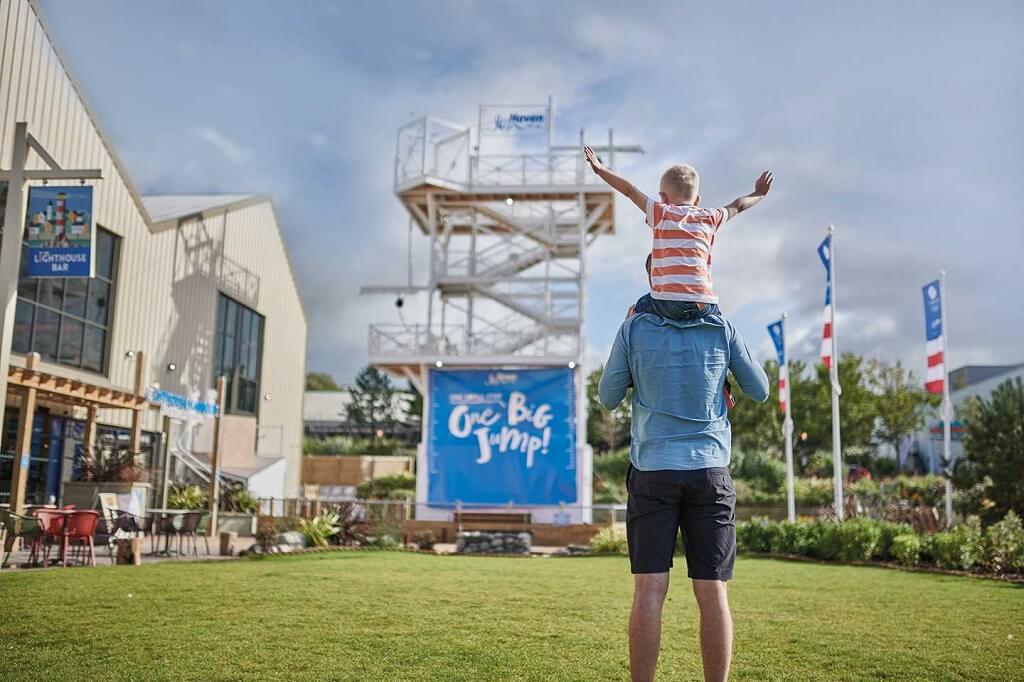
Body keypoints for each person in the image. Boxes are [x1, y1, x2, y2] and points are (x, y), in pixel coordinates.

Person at [598, 291, 769, 682]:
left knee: (649, 591)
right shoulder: (722, 327)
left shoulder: (633, 329)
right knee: (713, 593)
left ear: (653, 278)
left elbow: (608, 398)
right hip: (710, 473)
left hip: (652, 471)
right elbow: (759, 391)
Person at [583, 145, 772, 321]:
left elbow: (630, 191)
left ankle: (629, 333)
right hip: (704, 304)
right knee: (719, 321)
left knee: (635, 311)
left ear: (663, 198)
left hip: (666, 303)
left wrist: (600, 169)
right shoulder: (710, 216)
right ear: (697, 200)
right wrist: (759, 193)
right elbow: (738, 205)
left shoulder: (661, 212)